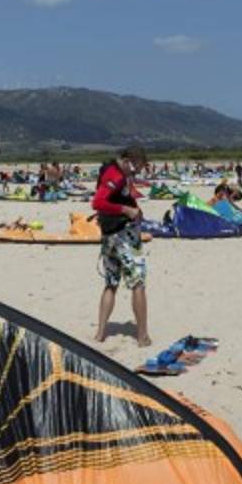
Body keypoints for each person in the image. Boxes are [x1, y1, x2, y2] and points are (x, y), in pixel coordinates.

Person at [93, 146, 151, 347]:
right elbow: (98, 202)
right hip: (122, 235)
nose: (135, 173)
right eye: (136, 169)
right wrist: (126, 209)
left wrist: (133, 206)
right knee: (138, 283)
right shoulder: (114, 175)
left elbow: (121, 196)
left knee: (111, 283)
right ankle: (142, 336)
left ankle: (100, 333)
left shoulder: (116, 173)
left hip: (109, 235)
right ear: (128, 160)